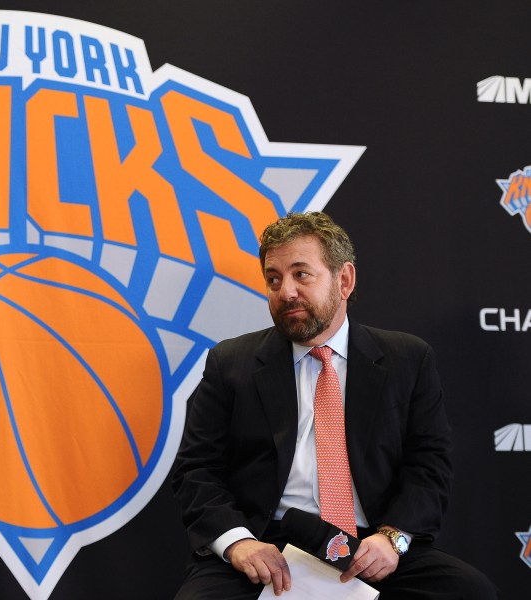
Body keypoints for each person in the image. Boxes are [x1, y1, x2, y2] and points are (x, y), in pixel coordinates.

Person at [171, 212, 497, 599]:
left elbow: (429, 466)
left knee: (471, 592)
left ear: (344, 280)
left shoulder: (406, 360)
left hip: (371, 545)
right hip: (268, 544)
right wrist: (239, 543)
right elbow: (198, 470)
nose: (285, 292)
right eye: (273, 279)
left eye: (301, 274)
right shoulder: (231, 363)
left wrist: (393, 539)